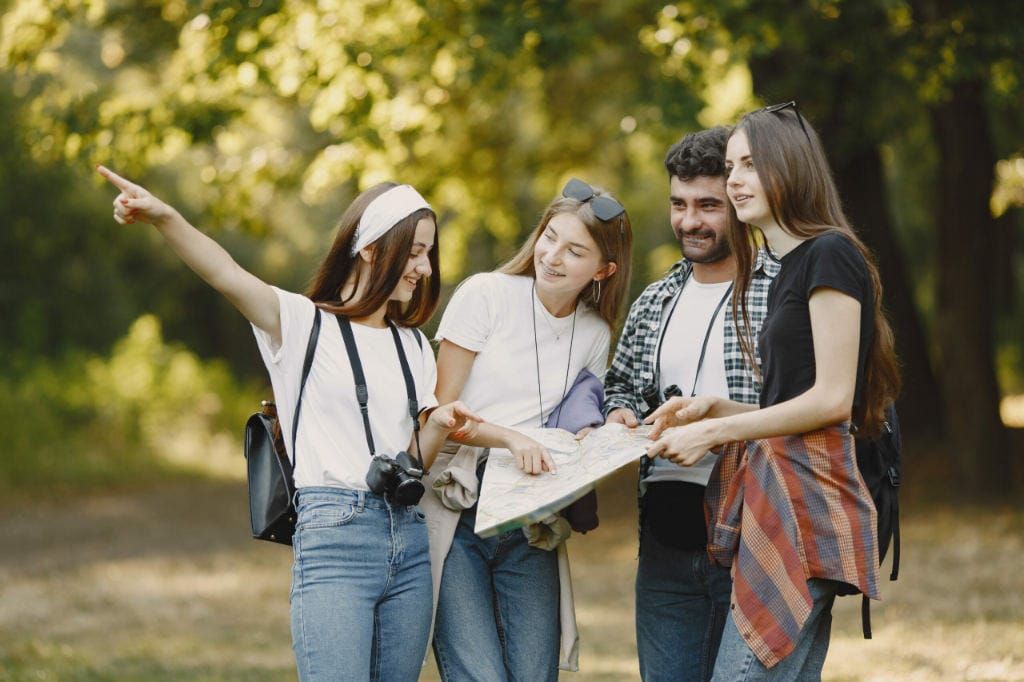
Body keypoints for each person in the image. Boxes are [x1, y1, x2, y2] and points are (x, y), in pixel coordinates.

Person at [98, 166, 482, 681]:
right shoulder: (302, 323)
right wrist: (165, 217)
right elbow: (225, 272)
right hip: (336, 537)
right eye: (414, 252)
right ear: (370, 248)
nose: (424, 269)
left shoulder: (411, 343)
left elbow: (414, 461)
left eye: (428, 255)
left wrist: (438, 427)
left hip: (409, 542)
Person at [646, 102, 901, 680]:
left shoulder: (829, 254)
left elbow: (833, 401)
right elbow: (796, 404)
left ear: (789, 167)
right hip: (782, 495)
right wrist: (715, 408)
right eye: (731, 167)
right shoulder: (790, 265)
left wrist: (716, 431)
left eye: (749, 165)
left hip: (810, 506)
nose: (734, 180)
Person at [424, 178, 633, 681]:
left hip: (530, 520)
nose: (553, 256)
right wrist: (513, 438)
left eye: (575, 250)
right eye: (549, 237)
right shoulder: (486, 295)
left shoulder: (593, 333)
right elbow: (439, 413)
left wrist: (605, 430)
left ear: (604, 269)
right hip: (457, 509)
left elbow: (573, 418)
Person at [603, 127, 779, 681]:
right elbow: (622, 384)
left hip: (757, 531)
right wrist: (620, 413)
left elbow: (805, 408)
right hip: (664, 538)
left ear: (741, 203)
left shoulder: (782, 292)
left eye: (709, 206)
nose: (690, 221)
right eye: (679, 205)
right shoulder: (655, 299)